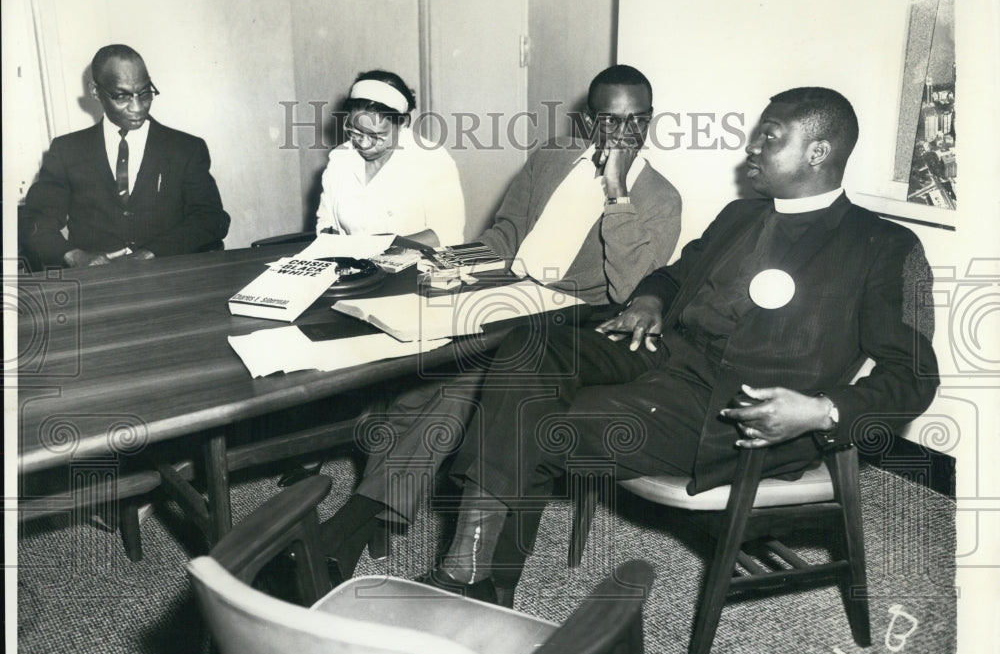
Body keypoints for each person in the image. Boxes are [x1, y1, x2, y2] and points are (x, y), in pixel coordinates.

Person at [419, 86, 940, 605]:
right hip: (665, 352)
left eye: (769, 137)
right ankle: (477, 575)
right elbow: (674, 276)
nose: (752, 148)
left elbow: (914, 375)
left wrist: (822, 411)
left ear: (818, 151)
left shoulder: (886, 247)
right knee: (529, 346)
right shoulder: (742, 216)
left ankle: (480, 578)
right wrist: (649, 297)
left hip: (732, 405)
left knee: (537, 417)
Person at [317, 65, 684, 584]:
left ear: (650, 120)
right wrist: (454, 264)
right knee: (426, 367)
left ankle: (347, 532)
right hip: (509, 293)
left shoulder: (659, 198)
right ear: (587, 120)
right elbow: (507, 234)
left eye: (637, 121)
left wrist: (617, 192)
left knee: (460, 381)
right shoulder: (553, 159)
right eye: (610, 121)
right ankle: (356, 529)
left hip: (573, 320)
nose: (624, 135)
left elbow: (630, 290)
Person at [21, 44, 230, 269]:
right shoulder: (66, 151)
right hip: (97, 284)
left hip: (170, 277)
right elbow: (36, 221)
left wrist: (151, 253)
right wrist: (73, 255)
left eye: (145, 93)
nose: (137, 107)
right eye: (122, 96)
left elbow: (211, 218)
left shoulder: (186, 148)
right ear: (95, 91)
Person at [316, 70, 465, 247]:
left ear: (402, 123)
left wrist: (376, 249)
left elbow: (448, 235)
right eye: (355, 132)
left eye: (377, 137)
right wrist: (329, 239)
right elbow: (326, 223)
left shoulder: (432, 161)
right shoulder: (341, 159)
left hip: (417, 269)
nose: (364, 144)